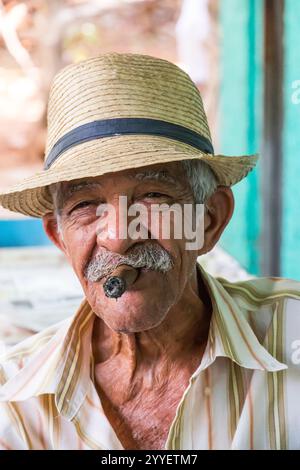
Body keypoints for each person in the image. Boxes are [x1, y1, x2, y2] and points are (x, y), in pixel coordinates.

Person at [0, 53, 299, 450]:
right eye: (85, 205)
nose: (118, 237)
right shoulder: (16, 401)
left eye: (153, 196)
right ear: (59, 236)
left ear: (209, 220)